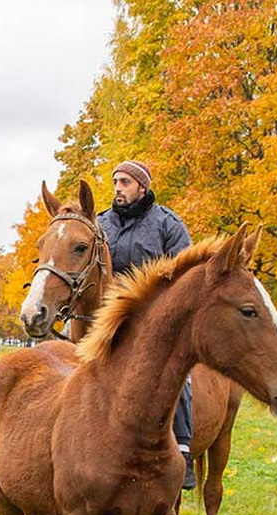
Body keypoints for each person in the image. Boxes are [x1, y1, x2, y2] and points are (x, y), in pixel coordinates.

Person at [97, 160, 198, 489]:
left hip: (154, 320)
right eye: (115, 181)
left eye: (125, 182)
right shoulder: (101, 225)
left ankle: (182, 448)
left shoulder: (167, 224)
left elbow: (186, 274)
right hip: (108, 318)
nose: (118, 188)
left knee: (175, 373)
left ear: (142, 187)